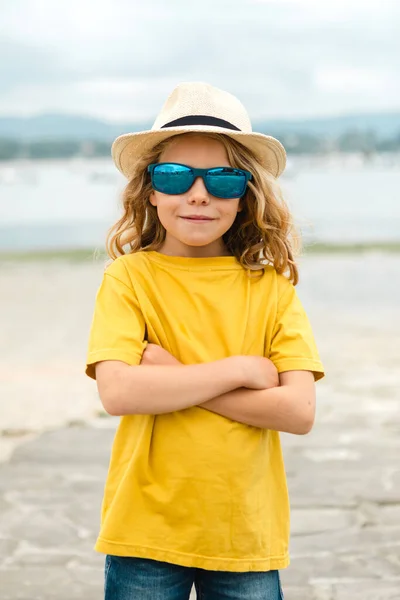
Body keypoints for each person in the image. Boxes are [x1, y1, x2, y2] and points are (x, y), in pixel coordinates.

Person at [85, 81, 324, 600]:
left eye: (222, 179)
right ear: (150, 190)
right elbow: (119, 393)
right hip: (144, 528)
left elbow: (299, 411)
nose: (198, 194)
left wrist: (171, 378)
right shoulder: (130, 279)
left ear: (246, 195)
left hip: (244, 532)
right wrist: (241, 370)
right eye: (174, 176)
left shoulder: (272, 289)